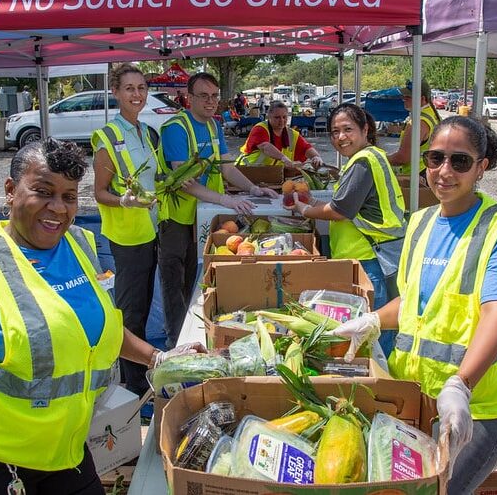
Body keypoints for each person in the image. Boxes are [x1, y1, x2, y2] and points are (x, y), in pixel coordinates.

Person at [0, 138, 204, 494]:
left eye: (68, 196)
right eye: (42, 191)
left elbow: (98, 329)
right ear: (10, 190)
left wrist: (159, 356)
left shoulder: (79, 244)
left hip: (69, 454)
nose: (58, 208)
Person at [328, 116, 497, 493]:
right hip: (412, 398)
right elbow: (414, 301)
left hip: (470, 410)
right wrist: (373, 319)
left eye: (459, 161)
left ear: (482, 167)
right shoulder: (421, 222)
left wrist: (461, 385)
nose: (444, 171)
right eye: (435, 158)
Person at [158, 72, 278, 349]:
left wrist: (253, 189)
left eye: (215, 96)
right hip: (177, 219)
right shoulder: (176, 128)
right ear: (189, 98)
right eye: (203, 96)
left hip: (205, 217)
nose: (211, 102)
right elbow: (184, 182)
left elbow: (226, 166)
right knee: (175, 283)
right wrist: (227, 202)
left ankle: (200, 333)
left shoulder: (213, 126)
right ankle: (176, 340)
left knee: (197, 278)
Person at [284, 103, 407, 356]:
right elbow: (346, 203)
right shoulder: (368, 158)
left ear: (365, 130)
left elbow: (340, 211)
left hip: (370, 256)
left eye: (347, 129)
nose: (341, 137)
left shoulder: (363, 161)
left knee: (373, 329)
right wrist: (313, 203)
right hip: (368, 254)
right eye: (335, 131)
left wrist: (305, 210)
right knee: (369, 326)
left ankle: (380, 379)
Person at [91, 62, 159, 398]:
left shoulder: (145, 132)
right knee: (131, 313)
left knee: (143, 308)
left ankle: (140, 380)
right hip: (126, 237)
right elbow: (99, 192)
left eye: (141, 88)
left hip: (149, 232)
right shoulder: (108, 137)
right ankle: (132, 388)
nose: (137, 94)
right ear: (115, 93)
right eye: (129, 88)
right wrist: (125, 202)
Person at [236, 100, 323, 169]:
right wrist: (284, 159)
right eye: (277, 117)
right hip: (246, 171)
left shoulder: (291, 134)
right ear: (269, 117)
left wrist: (316, 157)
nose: (281, 120)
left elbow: (306, 148)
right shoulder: (260, 129)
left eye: (284, 117)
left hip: (271, 175)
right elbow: (265, 147)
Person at [388, 79, 441, 177]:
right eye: (404, 96)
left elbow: (403, 158)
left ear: (422, 99)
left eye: (408, 97)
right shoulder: (431, 114)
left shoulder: (418, 122)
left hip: (417, 176)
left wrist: (380, 159)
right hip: (426, 173)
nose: (404, 99)